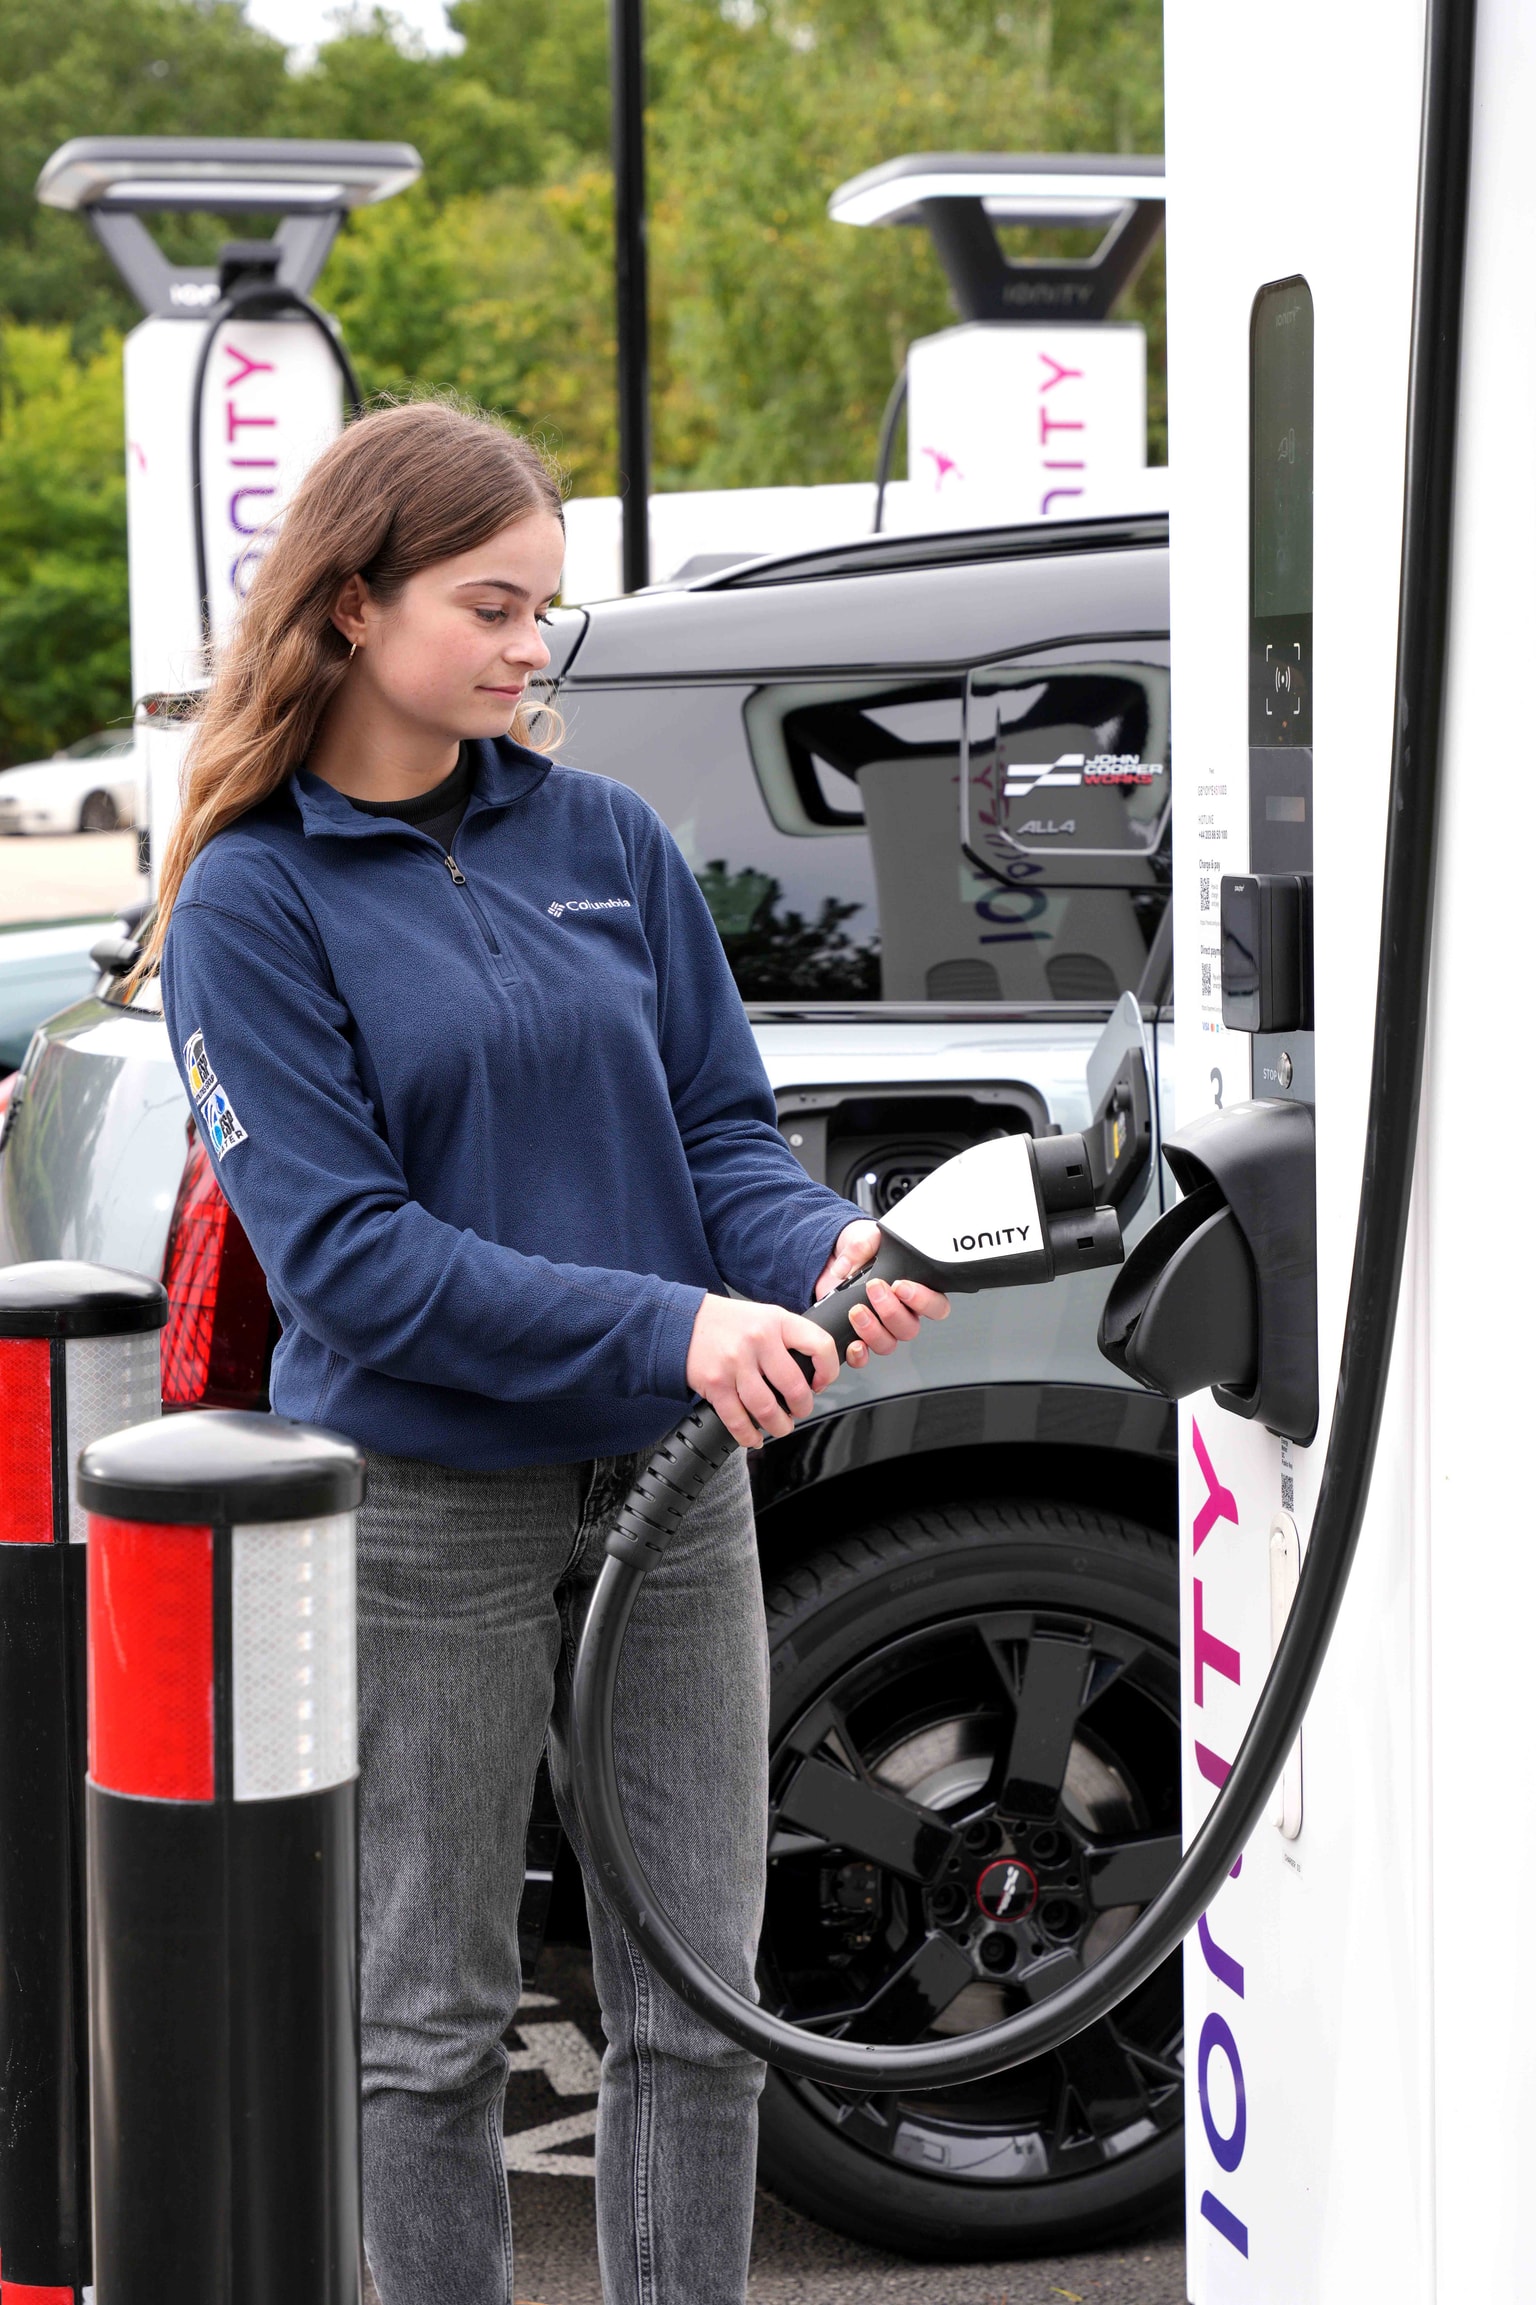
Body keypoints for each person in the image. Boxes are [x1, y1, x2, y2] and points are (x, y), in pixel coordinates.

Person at [143, 398, 948, 2305]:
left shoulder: (604, 838)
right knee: (426, 2021)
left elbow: (718, 1134)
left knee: (701, 1999)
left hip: (672, 1490)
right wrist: (680, 1323)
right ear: (352, 603)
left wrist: (818, 1247)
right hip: (426, 1507)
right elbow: (352, 1265)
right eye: (492, 607)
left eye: (546, 611)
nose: (531, 648)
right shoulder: (253, 896)